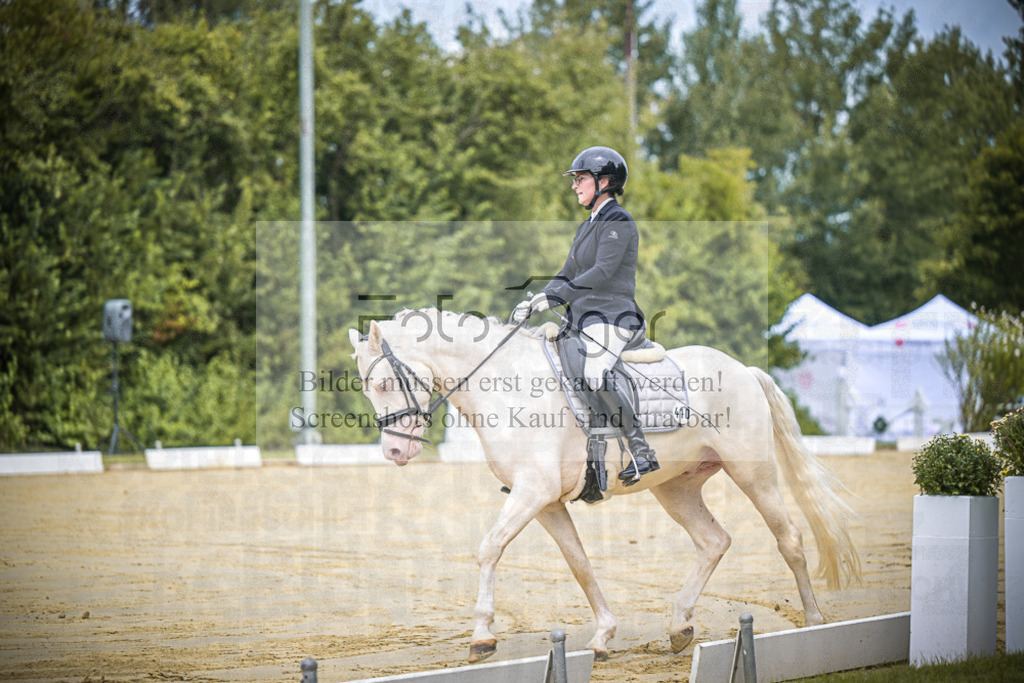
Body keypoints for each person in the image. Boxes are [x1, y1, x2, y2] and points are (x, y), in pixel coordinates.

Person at [512, 146, 659, 483]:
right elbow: (568, 272)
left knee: (595, 372)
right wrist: (539, 299)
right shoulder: (585, 228)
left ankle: (641, 452)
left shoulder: (618, 222)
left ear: (604, 181)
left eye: (580, 179)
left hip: (614, 317)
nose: (574, 186)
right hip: (585, 319)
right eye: (575, 180)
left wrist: (558, 297)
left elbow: (603, 272)